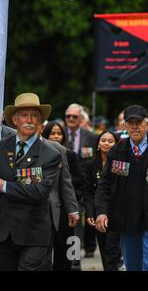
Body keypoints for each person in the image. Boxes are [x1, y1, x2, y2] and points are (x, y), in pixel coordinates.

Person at [95, 105, 148, 271]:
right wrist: (101, 212)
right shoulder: (117, 151)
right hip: (127, 220)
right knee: (133, 265)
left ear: (147, 124)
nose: (135, 126)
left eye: (139, 122)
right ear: (125, 126)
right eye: (130, 122)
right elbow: (104, 184)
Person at [0, 93, 61, 270]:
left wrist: (4, 186)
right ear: (14, 119)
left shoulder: (51, 154)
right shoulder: (1, 147)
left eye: (34, 115)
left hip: (33, 234)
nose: (29, 120)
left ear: (40, 121)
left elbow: (39, 192)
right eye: (24, 115)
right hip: (4, 233)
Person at [41, 122, 80, 271]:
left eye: (59, 133)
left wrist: (74, 205)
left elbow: (74, 180)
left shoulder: (68, 154)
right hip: (47, 207)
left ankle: (75, 264)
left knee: (69, 244)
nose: (56, 136)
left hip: (67, 207)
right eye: (52, 133)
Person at [84, 131, 123, 271]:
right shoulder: (90, 164)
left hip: (117, 212)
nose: (106, 143)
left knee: (112, 248)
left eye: (110, 141)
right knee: (104, 248)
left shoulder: (120, 164)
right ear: (98, 144)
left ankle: (117, 264)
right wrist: (89, 212)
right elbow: (87, 192)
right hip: (98, 211)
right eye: (103, 140)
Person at [64, 103, 98, 258]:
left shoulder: (91, 137)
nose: (70, 119)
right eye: (68, 116)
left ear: (81, 118)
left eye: (74, 116)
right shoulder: (58, 134)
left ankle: (74, 260)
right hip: (61, 187)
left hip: (83, 187)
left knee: (77, 224)